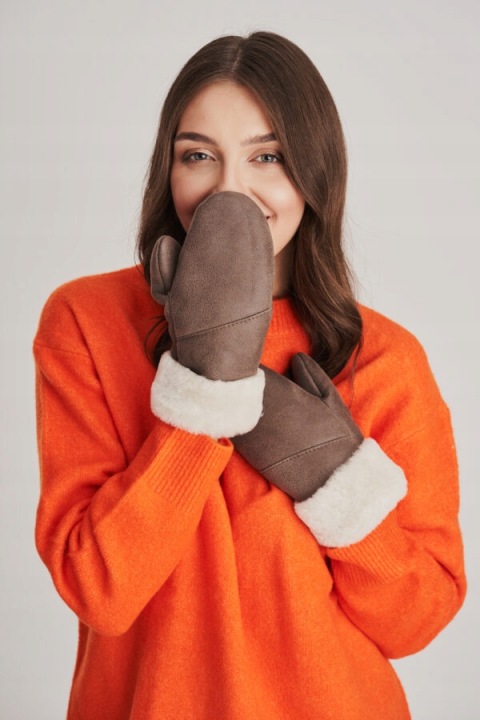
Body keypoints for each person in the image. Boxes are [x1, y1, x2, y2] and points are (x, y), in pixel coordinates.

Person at [33, 31, 466, 720]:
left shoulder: (385, 358)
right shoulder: (88, 322)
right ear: (168, 171)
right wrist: (204, 396)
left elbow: (417, 621)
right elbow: (99, 590)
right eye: (198, 155)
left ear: (314, 172)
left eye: (267, 156)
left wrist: (338, 482)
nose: (230, 189)